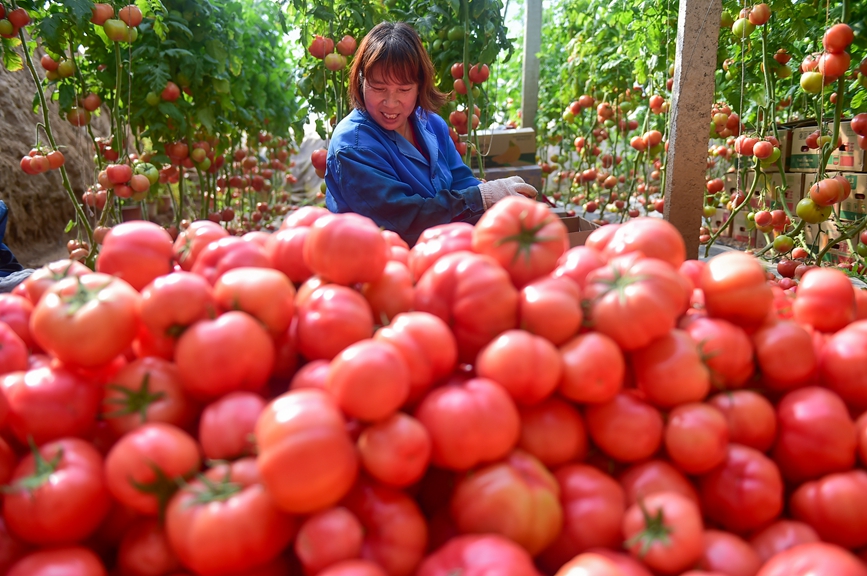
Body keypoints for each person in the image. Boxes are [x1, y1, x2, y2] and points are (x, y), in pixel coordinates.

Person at [324, 21, 537, 245]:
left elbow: (459, 179)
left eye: (404, 90)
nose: (391, 102)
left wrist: (494, 194)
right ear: (361, 81)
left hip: (442, 249)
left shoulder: (432, 124)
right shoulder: (353, 146)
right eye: (378, 88)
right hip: (379, 262)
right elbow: (402, 219)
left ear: (419, 86)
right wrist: (480, 198)